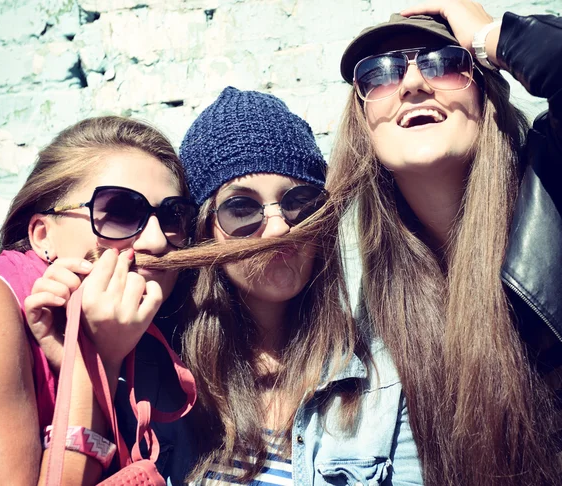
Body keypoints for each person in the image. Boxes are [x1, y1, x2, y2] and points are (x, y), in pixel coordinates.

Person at [326, 0, 562, 484]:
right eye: (379, 74)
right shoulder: (386, 310)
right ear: (364, 125)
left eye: (446, 63)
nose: (411, 84)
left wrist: (487, 34)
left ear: (484, 94)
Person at [179, 86, 423, 485]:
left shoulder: (384, 378)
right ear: (204, 232)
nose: (279, 227)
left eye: (299, 203)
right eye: (241, 208)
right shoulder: (170, 380)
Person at [0, 116, 199, 485]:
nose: (155, 240)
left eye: (172, 216)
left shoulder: (164, 328)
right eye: (120, 211)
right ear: (43, 235)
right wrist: (98, 359)